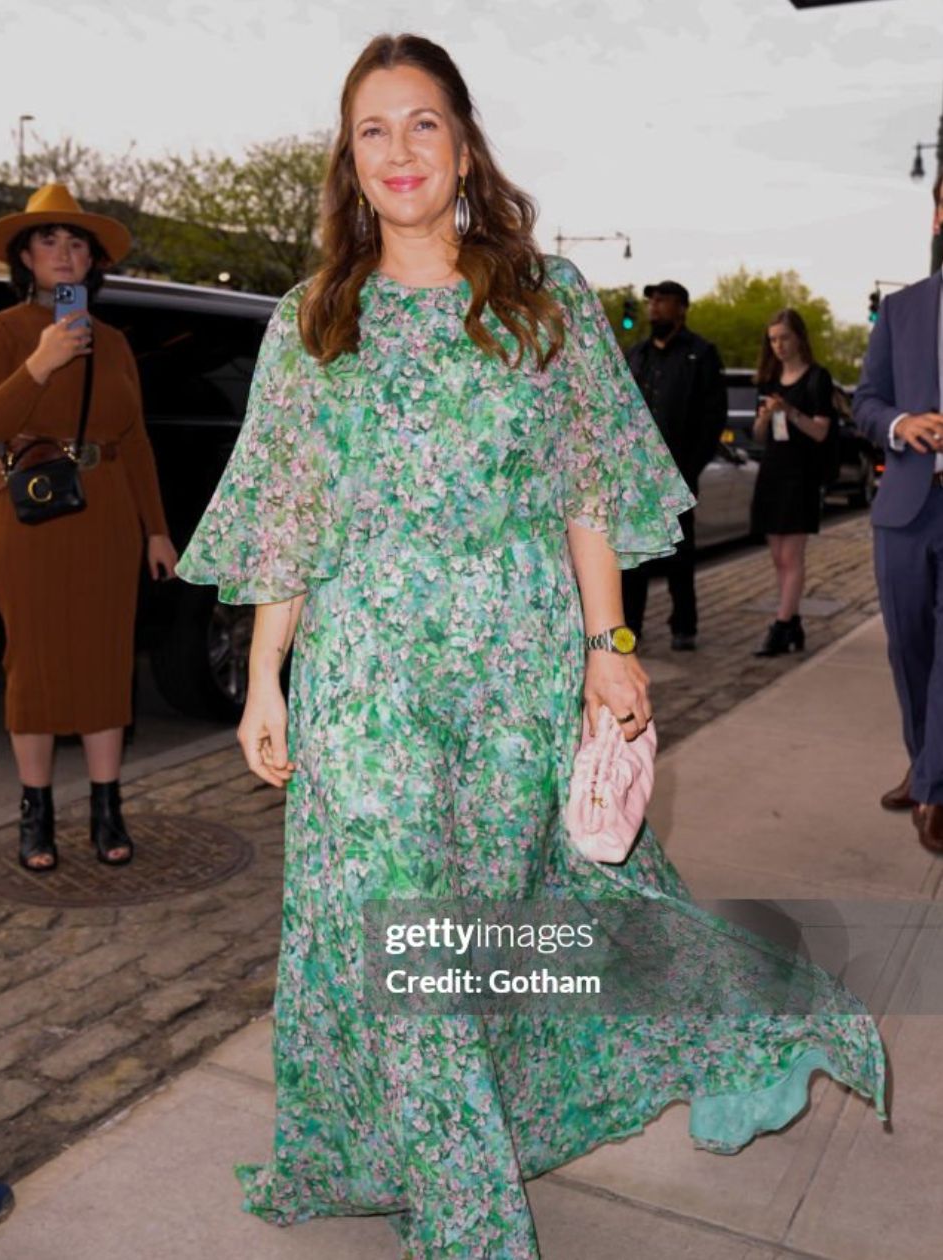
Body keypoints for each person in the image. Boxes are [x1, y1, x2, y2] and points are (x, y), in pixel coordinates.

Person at [178, 34, 886, 1259]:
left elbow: (585, 495)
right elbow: (289, 513)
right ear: (348, 164)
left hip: (515, 659)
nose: (400, 151)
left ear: (465, 143)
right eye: (372, 131)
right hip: (368, 670)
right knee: (406, 926)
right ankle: (470, 1223)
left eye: (423, 124)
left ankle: (552, 1101)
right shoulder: (314, 320)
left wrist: (610, 645)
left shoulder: (540, 298)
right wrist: (268, 675)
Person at [0, 184, 177, 872]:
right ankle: (35, 817)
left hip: (108, 514)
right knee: (30, 665)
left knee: (103, 661)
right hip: (27, 516)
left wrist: (157, 530)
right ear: (24, 257)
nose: (64, 253)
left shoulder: (116, 341)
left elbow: (139, 439)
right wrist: (42, 360)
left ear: (92, 260)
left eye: (76, 242)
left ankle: (106, 808)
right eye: (48, 241)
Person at [853, 169, 943, 852]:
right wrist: (901, 423)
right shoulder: (903, 310)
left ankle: (935, 790)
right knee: (908, 647)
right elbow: (866, 403)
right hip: (906, 509)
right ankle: (924, 763)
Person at [623, 279, 727, 650]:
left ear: (681, 307)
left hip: (677, 475)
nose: (654, 307)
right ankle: (629, 627)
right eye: (651, 300)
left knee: (680, 559)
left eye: (663, 301)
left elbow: (713, 418)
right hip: (635, 478)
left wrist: (690, 470)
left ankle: (684, 627)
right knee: (633, 560)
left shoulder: (701, 354)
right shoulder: (637, 355)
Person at [749, 308, 836, 657]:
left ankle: (782, 626)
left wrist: (789, 412)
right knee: (777, 556)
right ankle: (794, 620)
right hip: (772, 470)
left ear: (799, 337)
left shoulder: (817, 378)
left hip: (801, 474)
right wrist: (767, 416)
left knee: (792, 554)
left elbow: (820, 432)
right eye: (773, 339)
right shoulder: (768, 379)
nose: (779, 345)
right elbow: (757, 435)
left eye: (784, 337)